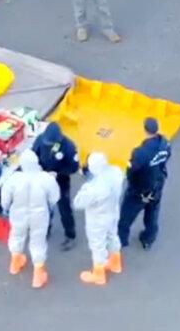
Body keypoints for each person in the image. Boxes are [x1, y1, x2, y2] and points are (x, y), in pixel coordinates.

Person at [1, 149, 60, 288]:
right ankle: (38, 275)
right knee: (38, 242)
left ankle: (15, 263)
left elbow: (5, 200)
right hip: (39, 216)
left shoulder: (14, 179)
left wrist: (6, 208)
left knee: (16, 236)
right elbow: (54, 198)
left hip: (19, 214)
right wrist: (49, 206)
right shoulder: (46, 179)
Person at [118, 117, 171, 250]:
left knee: (125, 218)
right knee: (152, 213)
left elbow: (131, 171)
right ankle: (148, 238)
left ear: (145, 130)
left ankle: (120, 241)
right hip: (157, 186)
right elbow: (165, 159)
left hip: (139, 190)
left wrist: (132, 183)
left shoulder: (141, 153)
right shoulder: (165, 144)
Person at [73, 152, 125, 285]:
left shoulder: (92, 188)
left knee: (97, 245)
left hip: (97, 219)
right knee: (112, 235)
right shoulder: (116, 172)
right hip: (113, 212)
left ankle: (99, 274)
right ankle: (115, 263)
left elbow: (78, 203)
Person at [31, 122, 79, 250]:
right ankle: (46, 229)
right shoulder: (41, 140)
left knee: (64, 209)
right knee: (43, 207)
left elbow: (73, 168)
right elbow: (33, 156)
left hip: (60, 181)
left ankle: (70, 235)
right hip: (43, 179)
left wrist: (57, 173)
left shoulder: (69, 147)